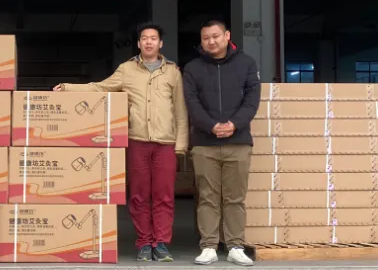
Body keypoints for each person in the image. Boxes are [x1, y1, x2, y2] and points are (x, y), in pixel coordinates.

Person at [54, 22, 188, 262]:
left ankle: (161, 244)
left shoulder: (172, 72)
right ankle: (144, 243)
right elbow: (100, 88)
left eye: (153, 38)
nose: (148, 42)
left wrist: (180, 145)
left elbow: (180, 110)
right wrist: (68, 88)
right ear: (138, 43)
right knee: (138, 195)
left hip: (165, 143)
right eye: (144, 38)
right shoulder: (126, 70)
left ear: (160, 43)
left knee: (164, 196)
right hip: (137, 141)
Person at [184, 20, 260, 267]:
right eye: (206, 38)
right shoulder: (193, 68)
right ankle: (208, 246)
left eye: (215, 36)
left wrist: (234, 124)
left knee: (235, 198)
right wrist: (211, 126)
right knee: (207, 197)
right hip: (204, 143)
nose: (211, 41)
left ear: (227, 35)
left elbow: (252, 99)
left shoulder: (246, 64)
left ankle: (235, 246)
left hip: (238, 142)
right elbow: (191, 103)